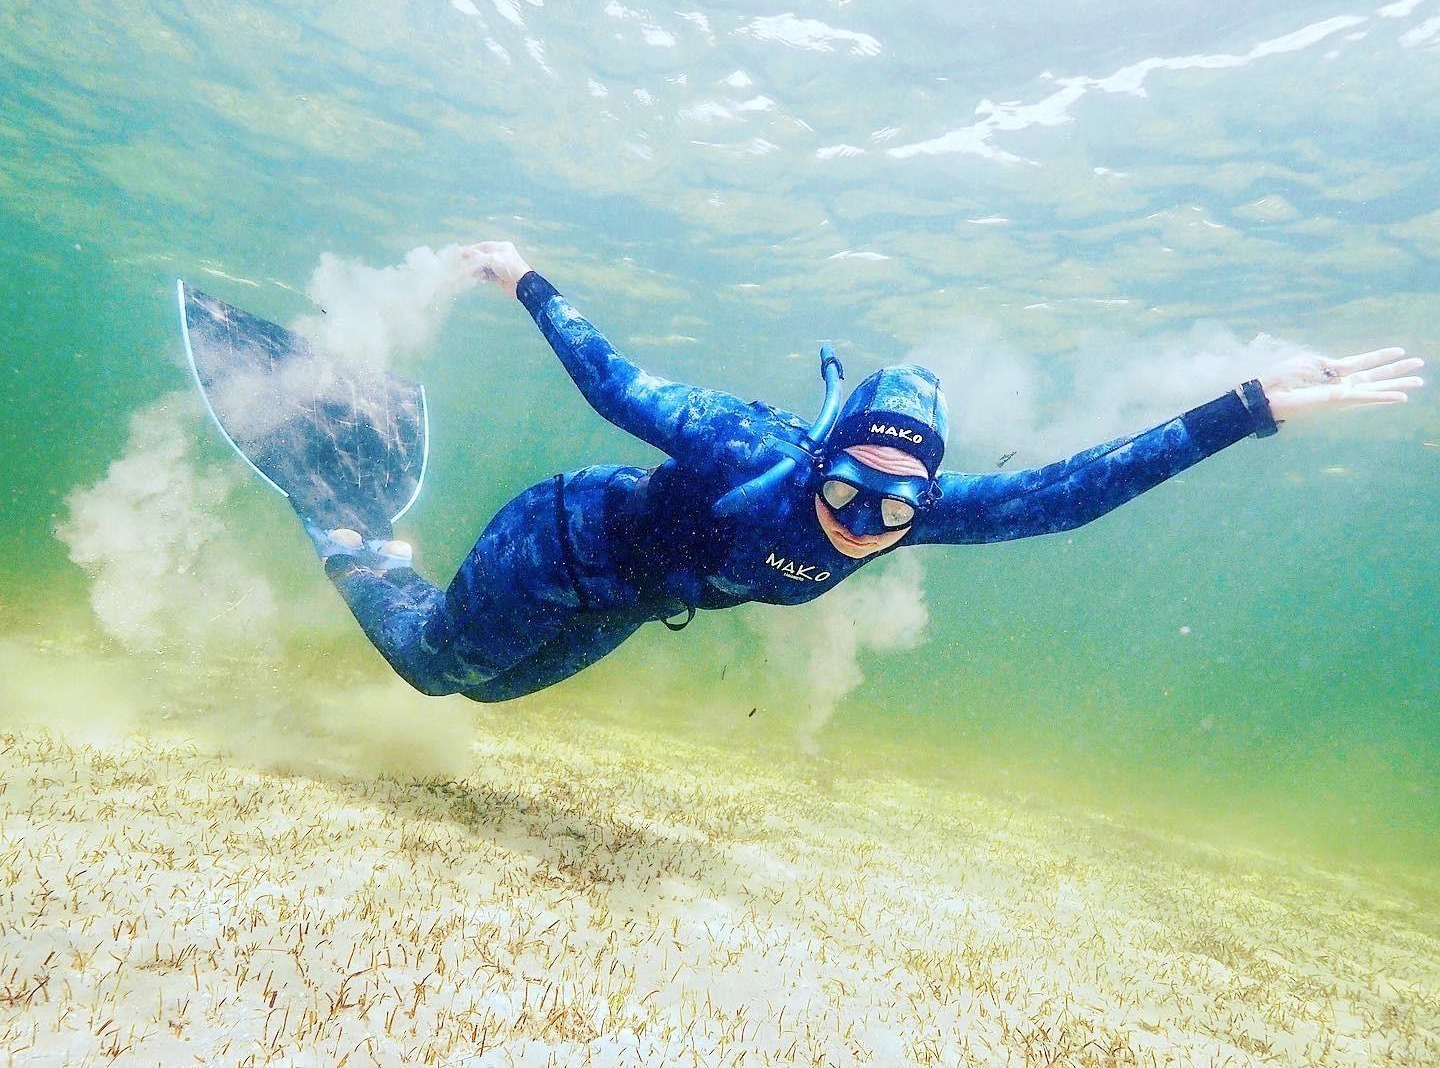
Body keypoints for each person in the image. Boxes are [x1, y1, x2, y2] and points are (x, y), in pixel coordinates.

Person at [313, 241, 1424, 702]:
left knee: (493, 691)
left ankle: (401, 569)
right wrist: (525, 279)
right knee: (433, 670)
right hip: (560, 541)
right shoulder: (751, 450)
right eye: (847, 490)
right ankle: (353, 545)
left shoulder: (919, 511)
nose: (862, 522)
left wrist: (1257, 404)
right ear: (822, 457)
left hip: (648, 596)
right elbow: (617, 385)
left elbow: (1084, 490)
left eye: (896, 508)